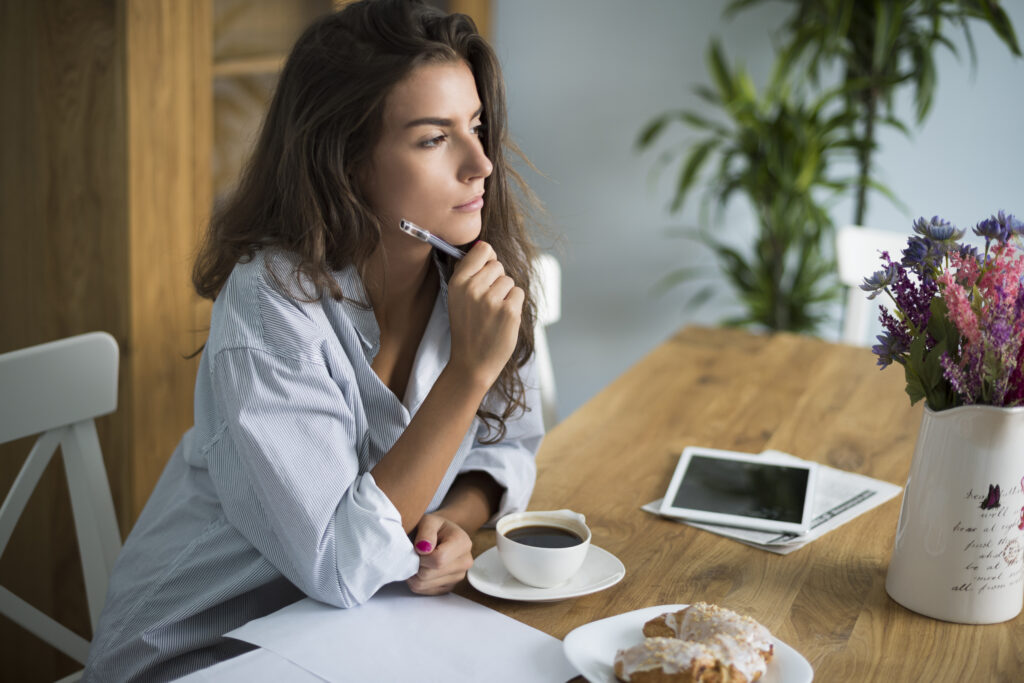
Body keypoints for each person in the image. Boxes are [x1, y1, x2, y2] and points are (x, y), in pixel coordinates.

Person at [83, 1, 544, 680]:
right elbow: (340, 561)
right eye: (433, 138)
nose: (481, 163)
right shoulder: (269, 305)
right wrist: (465, 377)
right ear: (348, 161)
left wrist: (450, 517)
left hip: (350, 637)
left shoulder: (471, 278)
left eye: (475, 126)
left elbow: (509, 443)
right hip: (202, 650)